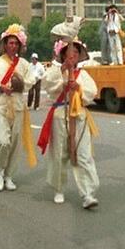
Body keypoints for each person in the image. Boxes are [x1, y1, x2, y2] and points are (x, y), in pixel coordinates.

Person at [39, 35, 99, 209]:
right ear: (63, 54)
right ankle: (59, 188)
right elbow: (48, 86)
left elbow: (92, 92)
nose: (73, 55)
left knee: (83, 154)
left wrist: (78, 89)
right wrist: (63, 75)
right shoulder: (55, 71)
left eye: (76, 52)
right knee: (59, 154)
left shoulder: (84, 74)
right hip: (60, 114)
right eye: (69, 52)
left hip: (79, 115)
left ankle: (87, 192)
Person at [0, 24, 36, 192]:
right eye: (10, 43)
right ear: (4, 44)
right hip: (1, 107)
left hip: (19, 108)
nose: (13, 46)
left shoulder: (25, 64)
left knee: (14, 145)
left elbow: (31, 80)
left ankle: (9, 176)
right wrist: (1, 88)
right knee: (3, 142)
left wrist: (21, 85)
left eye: (16, 43)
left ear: (20, 46)